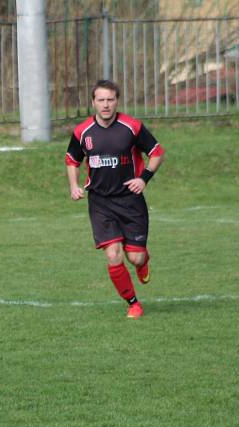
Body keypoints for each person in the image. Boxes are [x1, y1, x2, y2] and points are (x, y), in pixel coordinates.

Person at [65, 79, 165, 318]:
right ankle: (133, 303)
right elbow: (72, 159)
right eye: (101, 100)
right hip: (100, 202)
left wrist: (144, 178)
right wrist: (74, 185)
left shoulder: (132, 126)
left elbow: (156, 153)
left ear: (117, 101)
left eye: (110, 99)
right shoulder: (82, 131)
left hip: (130, 200)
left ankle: (143, 262)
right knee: (112, 255)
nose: (106, 105)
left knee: (135, 256)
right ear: (93, 102)